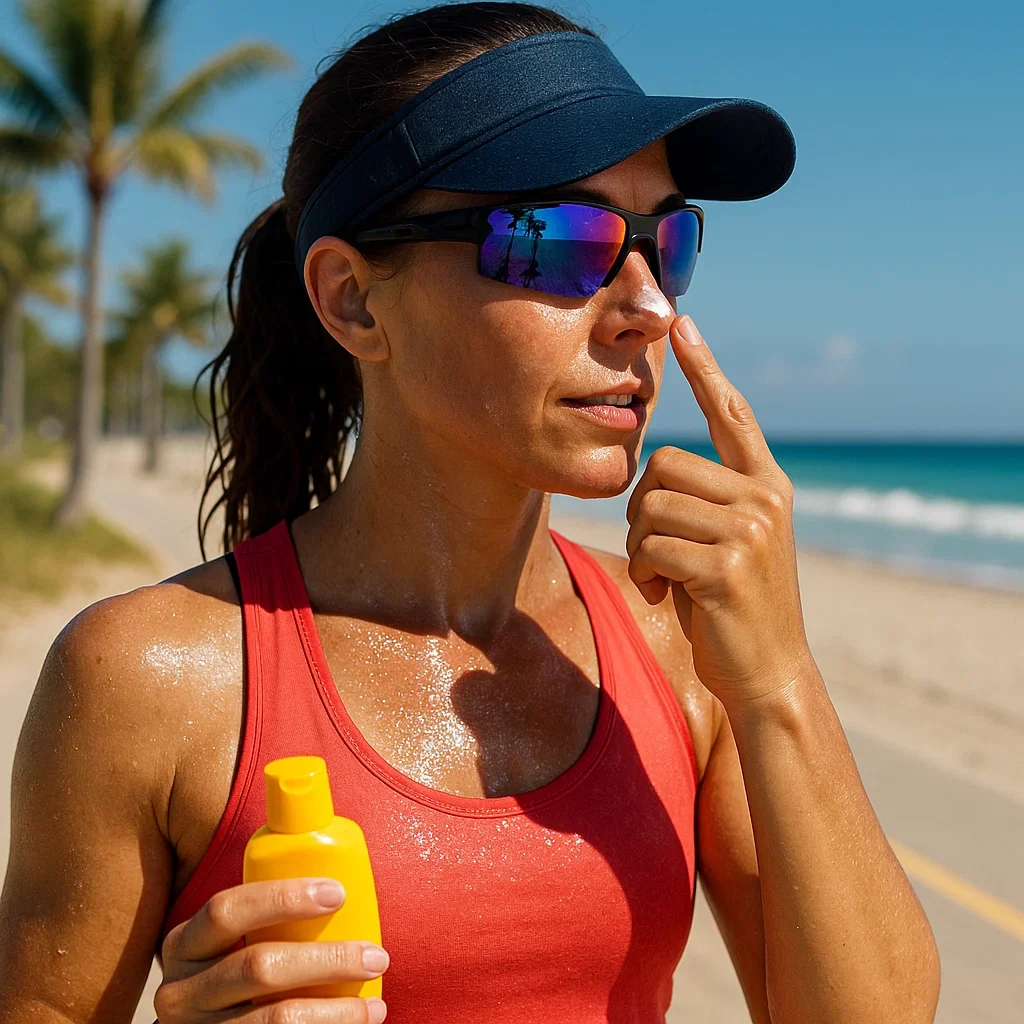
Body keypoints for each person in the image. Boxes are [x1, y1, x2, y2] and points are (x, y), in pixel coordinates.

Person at [0, 4, 940, 1022]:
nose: (646, 307)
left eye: (665, 242)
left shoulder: (677, 649)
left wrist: (779, 676)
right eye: (557, 242)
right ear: (354, 300)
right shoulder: (151, 681)